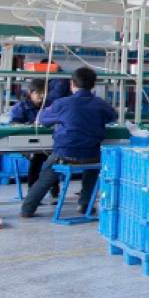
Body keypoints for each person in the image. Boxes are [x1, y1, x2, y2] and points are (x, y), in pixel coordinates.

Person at [19, 67, 115, 218]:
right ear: (93, 85)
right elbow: (113, 116)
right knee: (92, 168)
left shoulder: (62, 103)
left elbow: (43, 120)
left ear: (72, 84)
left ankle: (27, 209)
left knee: (46, 175)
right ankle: (85, 205)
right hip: (92, 155)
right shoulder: (101, 104)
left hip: (65, 154)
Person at [5, 79, 50, 192]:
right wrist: (29, 125)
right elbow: (13, 125)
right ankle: (32, 190)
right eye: (38, 93)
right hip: (23, 144)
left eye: (44, 93)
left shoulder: (48, 106)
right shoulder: (20, 107)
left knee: (52, 157)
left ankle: (53, 190)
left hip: (43, 142)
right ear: (30, 93)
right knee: (38, 156)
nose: (42, 96)